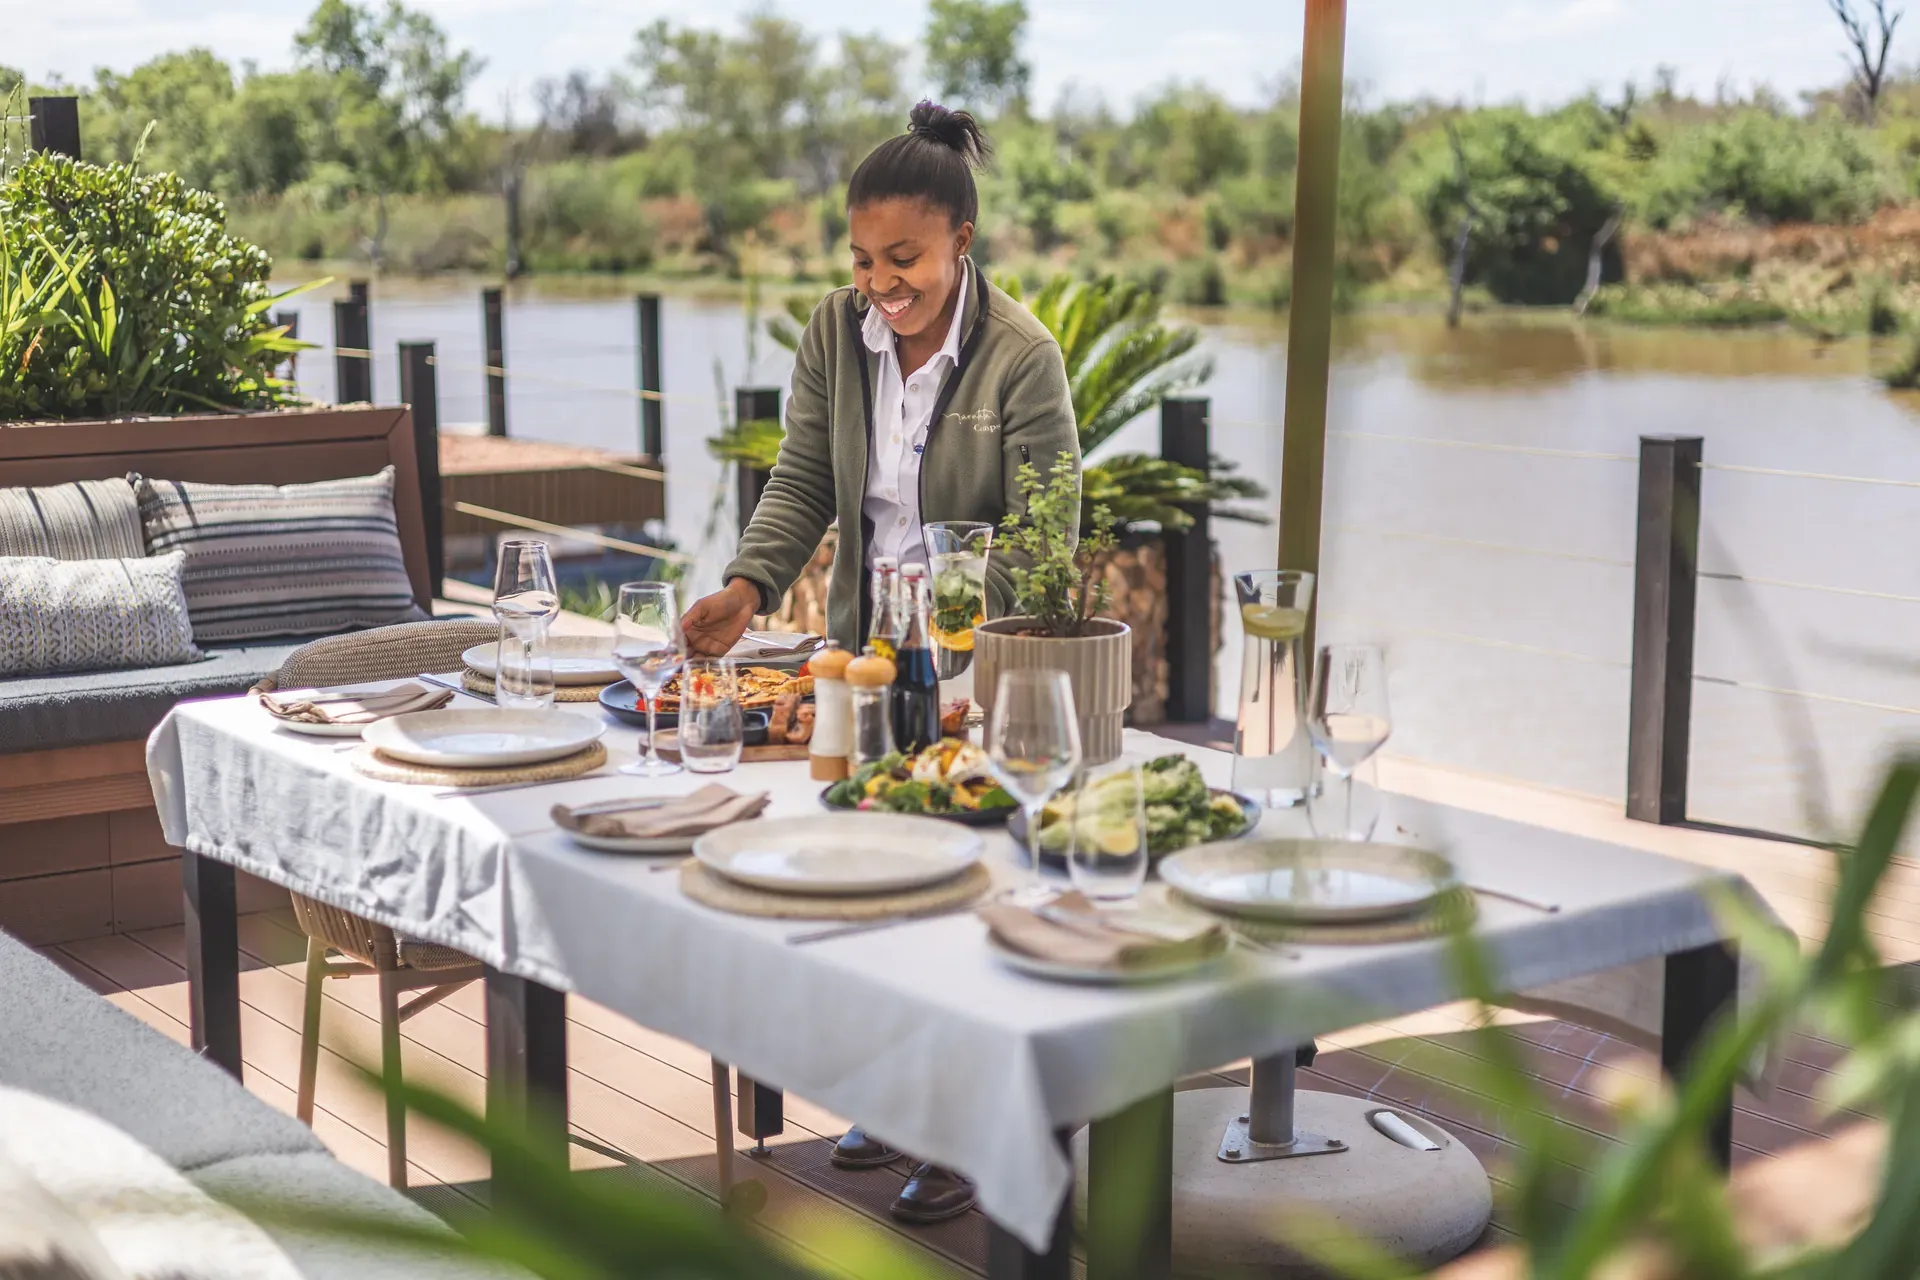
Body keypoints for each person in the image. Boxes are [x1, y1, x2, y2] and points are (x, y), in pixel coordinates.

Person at [680, 102, 1080, 1225]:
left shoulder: (1023, 360)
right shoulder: (834, 332)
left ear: (962, 239)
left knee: (960, 895)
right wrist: (749, 587)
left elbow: (1046, 539)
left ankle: (974, 1130)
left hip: (975, 675)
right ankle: (906, 1100)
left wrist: (954, 622)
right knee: (874, 882)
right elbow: (806, 475)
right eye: (861, 260)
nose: (879, 284)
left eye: (903, 258)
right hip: (863, 663)